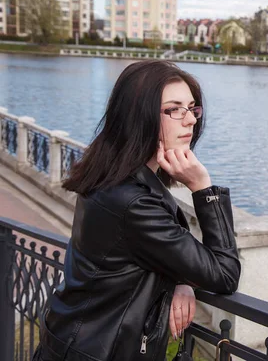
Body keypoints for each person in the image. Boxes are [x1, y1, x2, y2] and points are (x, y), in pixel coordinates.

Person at [33, 60, 241, 361]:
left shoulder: (113, 177)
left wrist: (180, 279)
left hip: (72, 343)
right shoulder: (132, 202)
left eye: (192, 107)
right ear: (138, 115)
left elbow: (151, 251)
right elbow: (224, 274)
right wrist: (203, 188)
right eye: (174, 109)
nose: (191, 120)